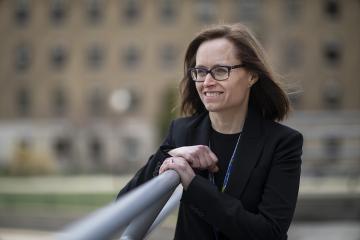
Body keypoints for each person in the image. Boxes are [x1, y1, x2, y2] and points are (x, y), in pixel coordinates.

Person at [117, 23, 303, 240]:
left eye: (220, 70)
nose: (207, 82)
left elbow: (269, 233)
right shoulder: (182, 132)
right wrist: (171, 157)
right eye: (200, 71)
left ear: (252, 75)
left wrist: (194, 186)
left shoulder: (283, 143)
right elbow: (125, 205)